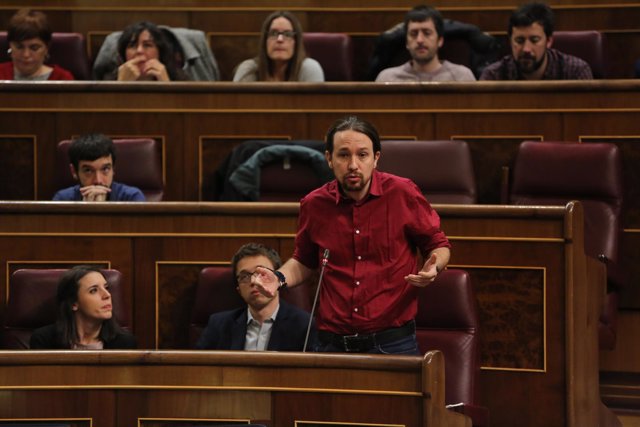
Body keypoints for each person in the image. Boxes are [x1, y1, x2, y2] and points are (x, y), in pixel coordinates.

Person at [252, 116, 451, 355]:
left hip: (392, 343)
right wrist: (279, 278)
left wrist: (435, 266)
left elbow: (438, 244)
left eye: (363, 155)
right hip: (331, 344)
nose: (353, 164)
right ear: (329, 159)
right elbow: (304, 261)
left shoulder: (402, 193)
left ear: (376, 158)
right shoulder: (315, 204)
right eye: (344, 155)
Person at [196, 243, 314, 351]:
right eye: (245, 276)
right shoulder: (219, 325)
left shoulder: (304, 325)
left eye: (262, 274)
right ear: (239, 289)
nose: (253, 281)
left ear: (277, 279)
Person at [30, 265, 137, 349]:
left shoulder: (125, 342)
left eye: (106, 288)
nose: (107, 295)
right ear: (74, 303)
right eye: (94, 290)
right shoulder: (44, 340)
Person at [480, 2, 593, 80]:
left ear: (548, 41)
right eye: (519, 40)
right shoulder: (493, 76)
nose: (526, 49)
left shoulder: (575, 72)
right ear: (510, 41)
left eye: (534, 40)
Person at [375, 5, 476, 82]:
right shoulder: (387, 79)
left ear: (440, 40)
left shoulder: (462, 77)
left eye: (427, 33)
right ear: (406, 42)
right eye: (414, 34)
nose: (419, 40)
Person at [233, 11, 324, 82]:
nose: (280, 39)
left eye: (287, 34)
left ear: (296, 42)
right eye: (273, 33)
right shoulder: (248, 69)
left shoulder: (309, 68)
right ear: (265, 41)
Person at [53, 133, 145, 201]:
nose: (98, 180)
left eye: (105, 169)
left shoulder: (132, 197)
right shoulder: (63, 199)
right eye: (88, 170)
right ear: (74, 171)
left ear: (113, 169)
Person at [0, 9, 74, 81]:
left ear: (46, 48)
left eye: (34, 48)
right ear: (10, 45)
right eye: (19, 47)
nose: (26, 55)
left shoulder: (62, 78)